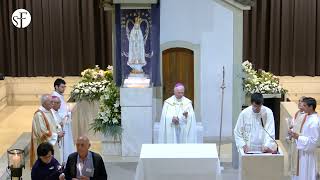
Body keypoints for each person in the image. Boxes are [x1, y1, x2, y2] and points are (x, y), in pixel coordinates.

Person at [288, 97, 320, 180]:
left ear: (311, 107)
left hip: (307, 154)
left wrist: (298, 137)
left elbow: (314, 141)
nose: (303, 107)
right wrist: (293, 133)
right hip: (300, 151)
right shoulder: (306, 116)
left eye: (305, 106)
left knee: (305, 174)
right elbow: (299, 130)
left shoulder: (315, 121)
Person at [30, 94, 64, 167]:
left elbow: (53, 125)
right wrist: (57, 135)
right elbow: (42, 133)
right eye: (51, 102)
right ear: (45, 103)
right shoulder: (39, 114)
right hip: (44, 146)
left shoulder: (49, 111)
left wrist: (59, 130)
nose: (53, 103)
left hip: (52, 143)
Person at [52, 78, 74, 163]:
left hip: (65, 121)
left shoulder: (59, 95)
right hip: (61, 123)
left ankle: (67, 158)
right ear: (56, 87)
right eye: (62, 87)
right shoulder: (55, 97)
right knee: (63, 145)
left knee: (67, 143)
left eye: (64, 87)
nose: (64, 89)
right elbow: (56, 112)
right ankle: (65, 160)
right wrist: (67, 114)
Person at [287, 96, 306, 176]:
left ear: (306, 104)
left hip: (300, 142)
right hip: (294, 141)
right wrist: (290, 128)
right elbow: (293, 125)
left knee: (299, 165)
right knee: (292, 161)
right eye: (299, 101)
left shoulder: (307, 115)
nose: (299, 103)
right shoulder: (297, 113)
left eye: (301, 101)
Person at [51, 96, 64, 163]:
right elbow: (53, 126)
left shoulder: (56, 112)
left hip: (58, 139)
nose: (60, 104)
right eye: (58, 103)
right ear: (52, 103)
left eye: (60, 102)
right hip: (54, 140)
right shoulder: (51, 113)